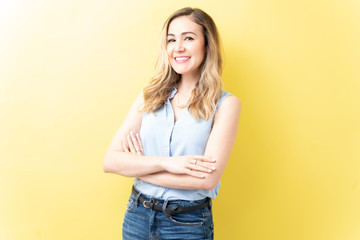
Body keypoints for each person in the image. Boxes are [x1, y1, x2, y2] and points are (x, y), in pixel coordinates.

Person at [103, 7, 241, 240]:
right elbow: (111, 161)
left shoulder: (226, 105)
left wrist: (139, 167)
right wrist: (168, 164)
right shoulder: (150, 96)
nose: (178, 47)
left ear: (207, 45)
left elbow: (207, 179)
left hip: (187, 223)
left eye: (188, 38)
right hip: (138, 216)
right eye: (171, 40)